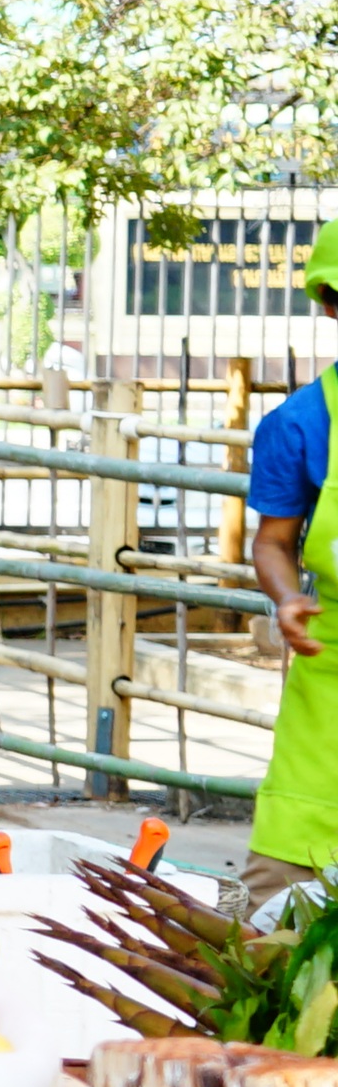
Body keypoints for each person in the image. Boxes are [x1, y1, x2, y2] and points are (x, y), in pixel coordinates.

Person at [240, 219, 338, 909]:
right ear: (332, 304)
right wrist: (285, 598)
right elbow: (274, 541)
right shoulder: (302, 423)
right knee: (278, 925)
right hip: (328, 686)